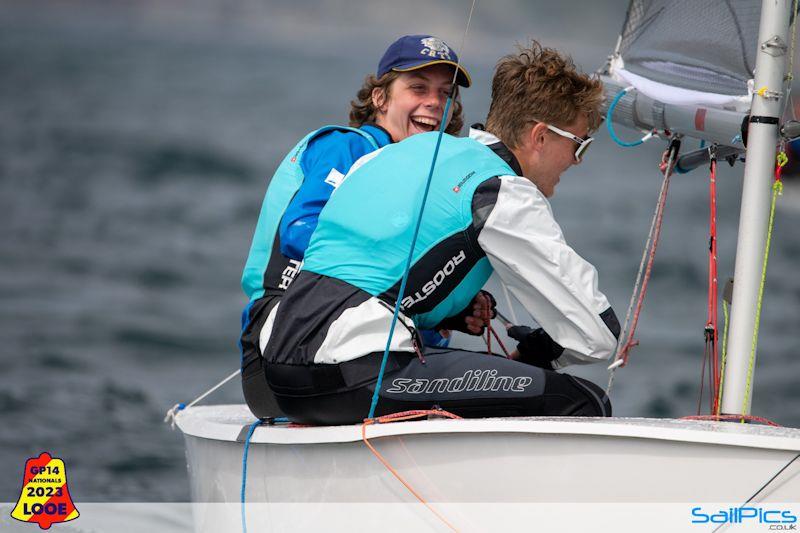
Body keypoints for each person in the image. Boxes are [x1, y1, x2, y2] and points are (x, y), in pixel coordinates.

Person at [259, 40, 621, 425]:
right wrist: (538, 352)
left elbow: (379, 271)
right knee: (582, 400)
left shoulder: (397, 153)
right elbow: (597, 334)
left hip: (280, 370)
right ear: (540, 137)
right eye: (579, 146)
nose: (577, 162)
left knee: (487, 380)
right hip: (351, 371)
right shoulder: (499, 189)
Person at [239, 35, 473, 418]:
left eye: (446, 93)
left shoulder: (410, 175)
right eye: (417, 88)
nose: (434, 102)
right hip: (281, 352)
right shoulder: (347, 148)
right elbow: (301, 232)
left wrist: (451, 308)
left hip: (353, 347)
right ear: (380, 98)